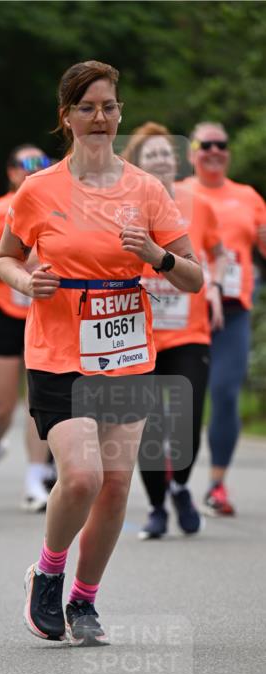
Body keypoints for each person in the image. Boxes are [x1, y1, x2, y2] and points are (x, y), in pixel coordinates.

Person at [0, 60, 202, 645]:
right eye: (86, 107)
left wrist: (157, 257)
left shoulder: (146, 189)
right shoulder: (38, 189)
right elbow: (5, 257)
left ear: (120, 114)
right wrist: (23, 282)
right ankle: (48, 572)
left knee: (115, 485)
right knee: (81, 476)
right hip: (58, 347)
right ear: (67, 117)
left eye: (109, 106)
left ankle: (84, 601)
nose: (99, 117)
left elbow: (193, 278)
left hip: (125, 349)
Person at [122, 123, 226, 539]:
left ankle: (180, 487)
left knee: (185, 419)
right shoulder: (124, 205)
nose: (161, 160)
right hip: (139, 331)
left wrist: (215, 284)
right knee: (148, 426)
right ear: (138, 164)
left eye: (166, 153)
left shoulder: (199, 203)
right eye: (152, 155)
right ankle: (156, 507)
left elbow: (217, 255)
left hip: (189, 329)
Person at [182, 122, 266, 515]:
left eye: (221, 144)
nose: (214, 151)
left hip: (232, 311)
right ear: (191, 153)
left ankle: (216, 483)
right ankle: (170, 479)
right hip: (184, 310)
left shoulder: (248, 197)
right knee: (180, 398)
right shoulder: (178, 194)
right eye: (205, 144)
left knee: (227, 394)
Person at [0, 145, 57, 511]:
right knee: (3, 405)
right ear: (10, 172)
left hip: (47, 311)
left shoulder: (56, 207)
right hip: (4, 312)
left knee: (39, 401)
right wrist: (21, 270)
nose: (33, 171)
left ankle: (35, 479)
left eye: (42, 165)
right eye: (26, 165)